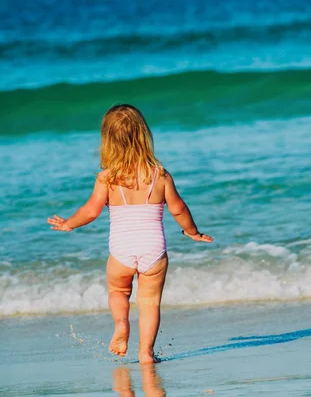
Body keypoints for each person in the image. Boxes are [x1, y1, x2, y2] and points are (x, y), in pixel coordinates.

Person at [47, 104, 213, 363]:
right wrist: (192, 232)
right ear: (143, 135)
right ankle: (146, 353)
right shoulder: (160, 175)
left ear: (108, 141)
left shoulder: (107, 178)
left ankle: (121, 324)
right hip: (153, 250)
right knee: (149, 303)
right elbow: (178, 208)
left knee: (118, 291)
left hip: (122, 250)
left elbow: (91, 211)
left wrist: (69, 224)